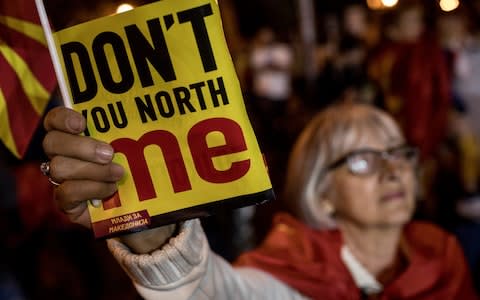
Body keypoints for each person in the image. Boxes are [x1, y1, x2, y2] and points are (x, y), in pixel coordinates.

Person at [41, 102, 478, 299]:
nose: (392, 171)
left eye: (397, 153)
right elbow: (215, 293)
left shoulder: (441, 254)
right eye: (363, 160)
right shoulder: (289, 274)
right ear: (321, 195)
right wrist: (154, 233)